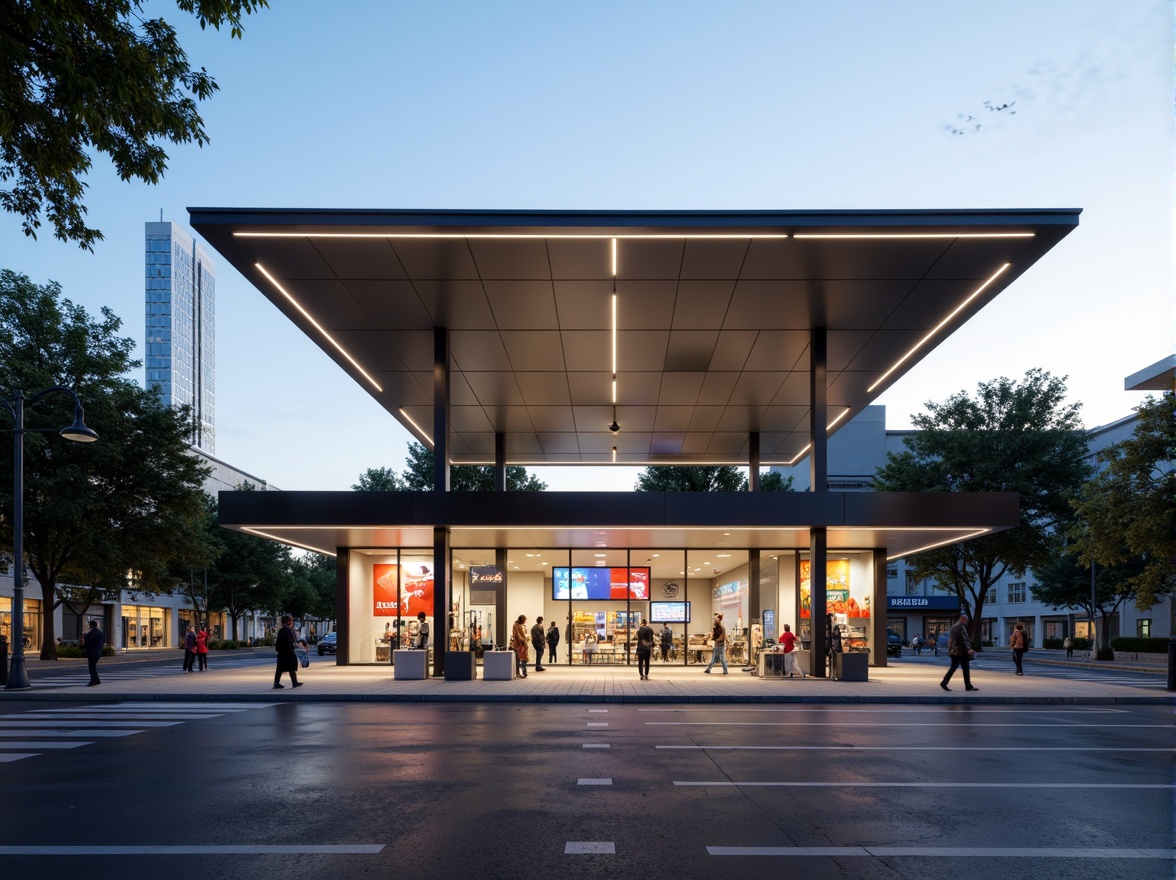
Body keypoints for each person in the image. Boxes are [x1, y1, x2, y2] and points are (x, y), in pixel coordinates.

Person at [940, 613, 978, 692]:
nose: (967, 622)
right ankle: (968, 686)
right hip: (960, 651)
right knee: (965, 668)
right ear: (963, 619)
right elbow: (963, 640)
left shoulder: (955, 626)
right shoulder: (960, 627)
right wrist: (969, 650)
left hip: (954, 651)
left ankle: (944, 682)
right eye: (966, 620)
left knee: (954, 667)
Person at [273, 614, 302, 689]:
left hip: (283, 652)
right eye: (291, 620)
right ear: (287, 621)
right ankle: (293, 682)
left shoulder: (284, 629)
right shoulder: (287, 629)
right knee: (290, 666)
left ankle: (278, 682)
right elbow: (291, 640)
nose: (292, 621)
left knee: (282, 668)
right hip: (287, 651)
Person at [83, 620, 104, 686]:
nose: (89, 626)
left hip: (93, 652)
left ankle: (93, 681)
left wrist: (85, 637)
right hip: (96, 652)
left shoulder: (93, 633)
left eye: (90, 625)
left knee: (92, 668)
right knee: (93, 667)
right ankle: (96, 680)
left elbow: (89, 641)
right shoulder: (99, 632)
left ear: (92, 625)